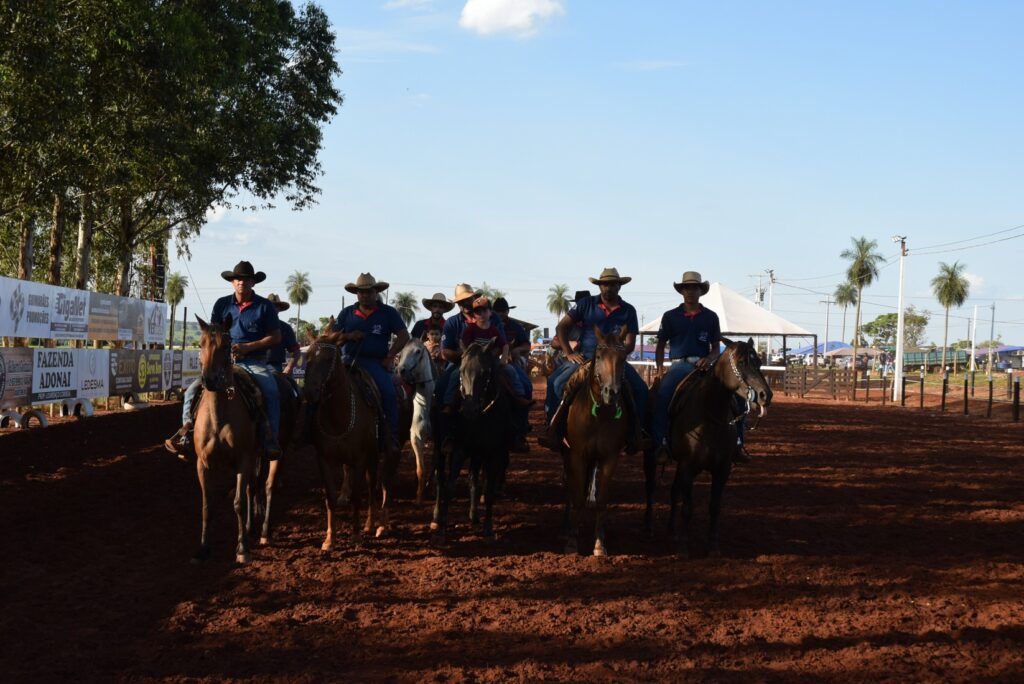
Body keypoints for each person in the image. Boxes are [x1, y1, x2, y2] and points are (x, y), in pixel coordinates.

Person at [165, 260, 283, 460]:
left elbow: (276, 337)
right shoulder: (222, 304)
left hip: (253, 362)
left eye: (246, 280)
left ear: (253, 282)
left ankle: (270, 440)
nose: (241, 283)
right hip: (222, 362)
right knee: (192, 390)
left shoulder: (265, 306)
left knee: (271, 391)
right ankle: (186, 434)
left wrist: (248, 346)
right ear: (232, 282)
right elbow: (213, 333)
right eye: (237, 279)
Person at [541, 268, 648, 452]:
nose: (608, 288)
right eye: (605, 284)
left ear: (619, 286)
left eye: (613, 284)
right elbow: (561, 327)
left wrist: (619, 355)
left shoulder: (629, 310)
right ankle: (553, 428)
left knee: (640, 389)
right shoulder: (586, 304)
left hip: (614, 361)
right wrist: (568, 353)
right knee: (555, 382)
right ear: (599, 286)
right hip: (585, 358)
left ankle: (638, 432)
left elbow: (630, 342)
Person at [331, 273, 410, 446]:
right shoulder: (346, 313)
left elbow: (404, 335)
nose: (364, 295)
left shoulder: (388, 313)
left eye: (368, 292)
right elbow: (331, 337)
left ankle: (391, 436)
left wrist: (390, 356)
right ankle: (309, 430)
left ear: (376, 292)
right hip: (347, 360)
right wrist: (349, 335)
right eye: (361, 292)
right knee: (323, 386)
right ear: (357, 294)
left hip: (374, 363)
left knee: (389, 393)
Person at [651, 271, 722, 465]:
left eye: (694, 288)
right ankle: (661, 443)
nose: (690, 291)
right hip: (678, 366)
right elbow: (660, 346)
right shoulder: (670, 316)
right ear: (681, 291)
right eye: (686, 288)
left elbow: (716, 348)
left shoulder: (711, 317)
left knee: (732, 398)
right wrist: (659, 369)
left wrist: (708, 359)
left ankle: (737, 442)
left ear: (701, 291)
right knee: (662, 398)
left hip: (703, 365)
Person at [493, 296, 534, 451]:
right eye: (497, 311)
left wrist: (516, 350)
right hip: (491, 361)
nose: (500, 314)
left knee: (526, 386)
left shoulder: (516, 327)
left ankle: (521, 429)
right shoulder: (488, 324)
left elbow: (527, 345)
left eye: (503, 311)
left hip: (510, 362)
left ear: (507, 311)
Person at [266, 293, 300, 375]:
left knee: (276, 387)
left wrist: (289, 368)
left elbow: (296, 351)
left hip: (274, 366)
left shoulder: (285, 328)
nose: (272, 309)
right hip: (252, 363)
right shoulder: (255, 325)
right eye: (269, 306)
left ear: (279, 309)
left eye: (275, 306)